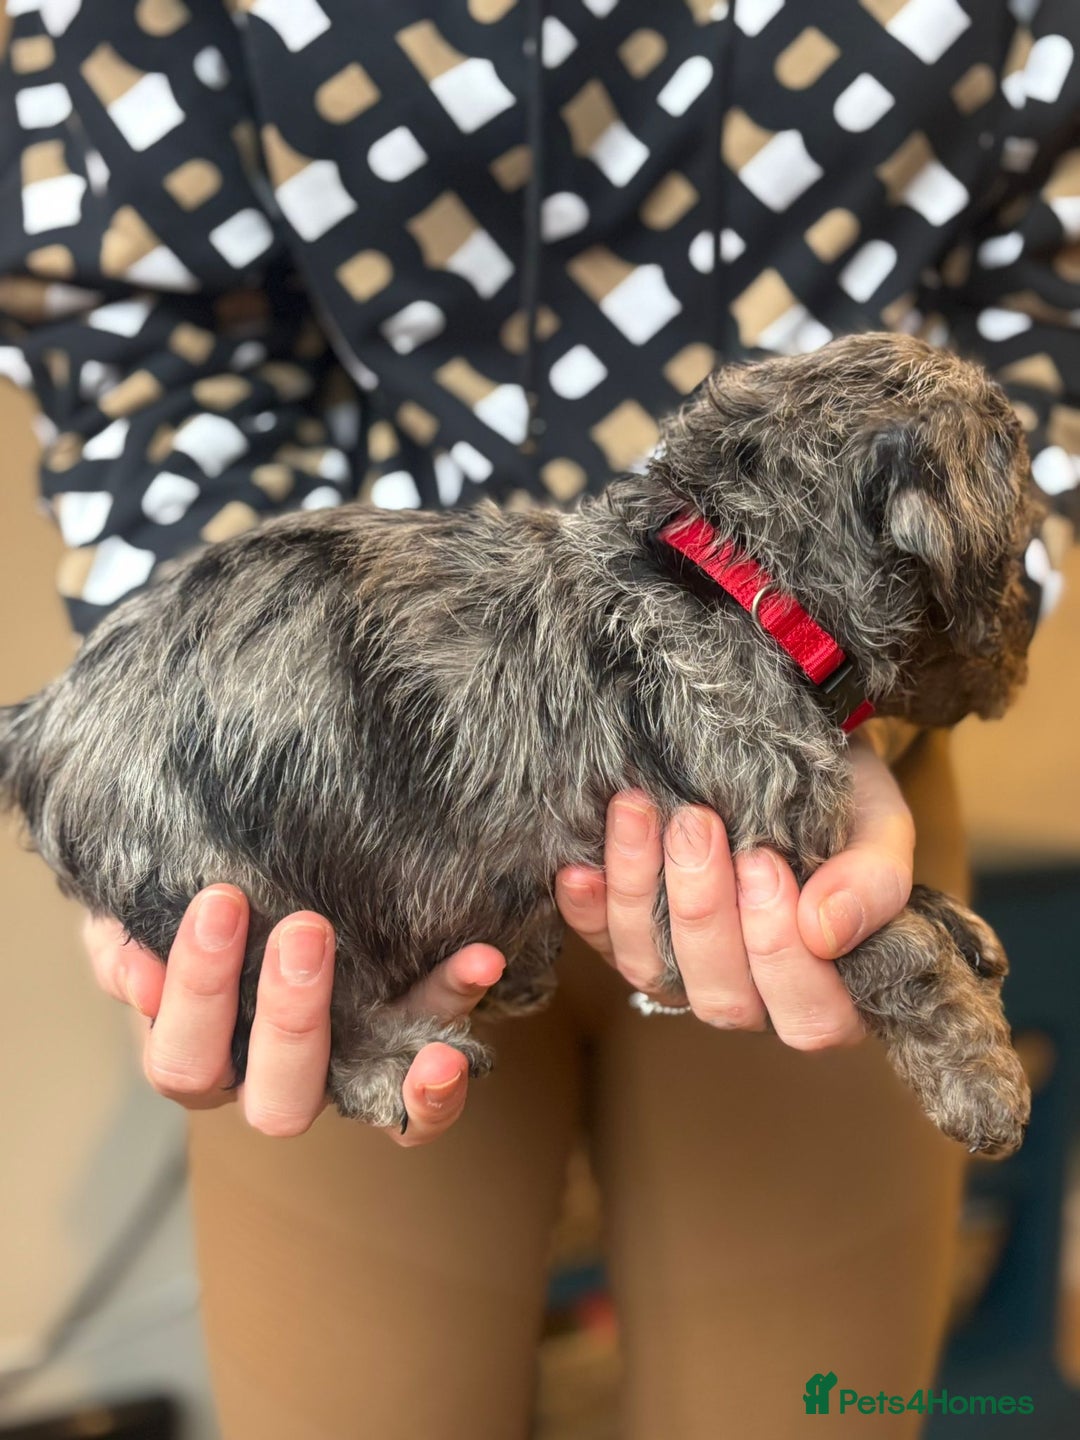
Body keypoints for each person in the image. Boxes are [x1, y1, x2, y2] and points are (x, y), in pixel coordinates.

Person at [1, 1, 1076, 1434]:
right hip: (371, 840)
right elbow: (134, 308)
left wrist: (892, 677)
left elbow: (1045, 287)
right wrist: (186, 769)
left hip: (825, 826)